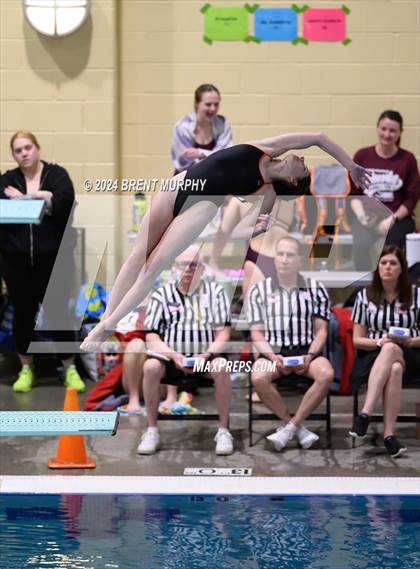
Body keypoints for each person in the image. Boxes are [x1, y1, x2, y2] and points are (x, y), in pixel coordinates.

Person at [81, 131, 370, 350]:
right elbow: (318, 138)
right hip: (180, 184)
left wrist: (259, 226)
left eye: (303, 168)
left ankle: (109, 324)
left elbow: (248, 227)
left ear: (294, 180)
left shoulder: (267, 191)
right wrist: (350, 165)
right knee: (137, 256)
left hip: (201, 205)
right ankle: (107, 317)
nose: (303, 159)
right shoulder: (268, 150)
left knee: (152, 267)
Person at [0, 131, 84, 392]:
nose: (24, 153)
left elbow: (64, 204)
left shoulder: (57, 176)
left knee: (59, 313)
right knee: (23, 314)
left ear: (38, 148)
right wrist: (42, 199)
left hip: (54, 261)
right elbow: (5, 213)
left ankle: (69, 367)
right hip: (17, 262)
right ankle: (26, 368)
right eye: (18, 150)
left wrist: (23, 200)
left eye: (28, 147)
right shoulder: (7, 181)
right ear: (13, 155)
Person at [137, 245, 233, 455]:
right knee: (151, 366)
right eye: (183, 264)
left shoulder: (215, 292)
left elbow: (223, 334)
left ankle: (224, 430)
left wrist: (206, 355)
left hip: (205, 360)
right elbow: (151, 336)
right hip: (171, 361)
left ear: (202, 268)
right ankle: (152, 430)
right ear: (174, 268)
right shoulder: (161, 295)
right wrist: (173, 355)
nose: (189, 269)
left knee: (223, 365)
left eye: (194, 265)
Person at [247, 236, 334, 451]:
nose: (284, 260)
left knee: (326, 374)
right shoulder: (258, 290)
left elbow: (321, 330)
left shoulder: (315, 288)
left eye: (290, 255)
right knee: (258, 376)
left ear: (300, 261)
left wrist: (311, 355)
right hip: (273, 352)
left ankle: (290, 428)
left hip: (306, 351)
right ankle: (294, 427)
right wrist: (270, 357)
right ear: (275, 259)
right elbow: (256, 334)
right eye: (280, 254)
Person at [349, 245, 420, 457]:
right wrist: (380, 342)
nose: (388, 267)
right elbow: (357, 340)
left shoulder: (417, 295)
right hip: (373, 354)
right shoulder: (364, 296)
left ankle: (364, 414)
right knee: (394, 367)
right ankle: (389, 437)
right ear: (377, 268)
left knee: (393, 351)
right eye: (383, 263)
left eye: (393, 263)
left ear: (401, 269)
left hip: (412, 353)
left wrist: (411, 340)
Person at [350, 110, 420, 270]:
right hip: (367, 217)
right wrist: (362, 217)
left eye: (392, 130)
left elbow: (412, 198)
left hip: (397, 219)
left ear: (400, 132)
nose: (387, 134)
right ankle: (366, 287)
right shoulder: (362, 156)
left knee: (390, 250)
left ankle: (390, 287)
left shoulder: (407, 159)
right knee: (361, 246)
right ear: (377, 128)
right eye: (383, 129)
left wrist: (392, 219)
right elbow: (354, 193)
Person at [171, 83, 233, 174]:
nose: (213, 109)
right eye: (208, 104)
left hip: (213, 178)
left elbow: (226, 156)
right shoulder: (182, 127)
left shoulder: (223, 123)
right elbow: (183, 164)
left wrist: (200, 153)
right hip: (186, 180)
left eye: (216, 104)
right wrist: (212, 157)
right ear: (196, 104)